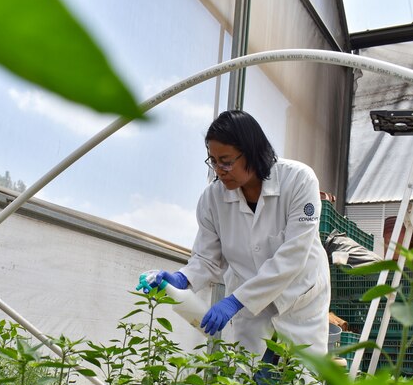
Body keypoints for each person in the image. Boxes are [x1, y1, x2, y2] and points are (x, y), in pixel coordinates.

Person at [138, 109, 330, 369]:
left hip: (298, 300)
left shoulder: (298, 180)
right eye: (213, 161)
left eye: (226, 161)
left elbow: (294, 255)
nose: (220, 170)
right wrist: (183, 278)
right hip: (249, 310)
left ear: (251, 151)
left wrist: (236, 300)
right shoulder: (212, 199)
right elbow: (206, 258)